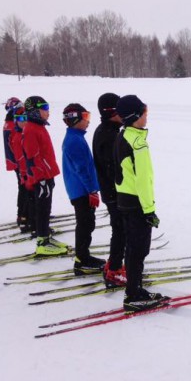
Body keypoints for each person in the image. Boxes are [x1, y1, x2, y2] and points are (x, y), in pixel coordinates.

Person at [113, 95, 166, 311]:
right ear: (136, 116)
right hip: (137, 204)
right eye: (145, 112)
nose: (147, 116)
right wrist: (149, 210)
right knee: (138, 249)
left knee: (133, 248)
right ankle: (133, 294)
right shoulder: (138, 143)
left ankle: (136, 288)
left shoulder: (123, 134)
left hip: (125, 200)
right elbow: (143, 180)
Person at [61, 103, 106, 275]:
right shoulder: (74, 141)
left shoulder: (76, 137)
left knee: (87, 223)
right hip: (81, 191)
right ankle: (82, 260)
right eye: (85, 117)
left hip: (80, 190)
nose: (88, 121)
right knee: (85, 224)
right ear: (75, 120)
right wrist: (92, 191)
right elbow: (82, 169)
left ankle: (84, 256)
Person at [22, 96, 69, 256]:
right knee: (42, 208)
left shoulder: (38, 127)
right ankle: (42, 241)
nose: (48, 112)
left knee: (46, 207)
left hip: (47, 174)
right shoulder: (30, 129)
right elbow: (32, 157)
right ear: (35, 111)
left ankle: (45, 237)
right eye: (44, 109)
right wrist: (40, 178)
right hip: (41, 177)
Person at [93, 93, 127, 288]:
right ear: (111, 112)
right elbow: (112, 168)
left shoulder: (110, 131)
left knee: (120, 229)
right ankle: (114, 269)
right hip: (114, 194)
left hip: (113, 192)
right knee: (120, 230)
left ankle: (114, 265)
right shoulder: (108, 135)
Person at [3, 97, 33, 232]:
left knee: (24, 189)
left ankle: (24, 215)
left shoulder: (9, 121)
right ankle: (24, 216)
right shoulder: (12, 123)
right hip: (20, 163)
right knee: (25, 189)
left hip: (17, 162)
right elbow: (16, 144)